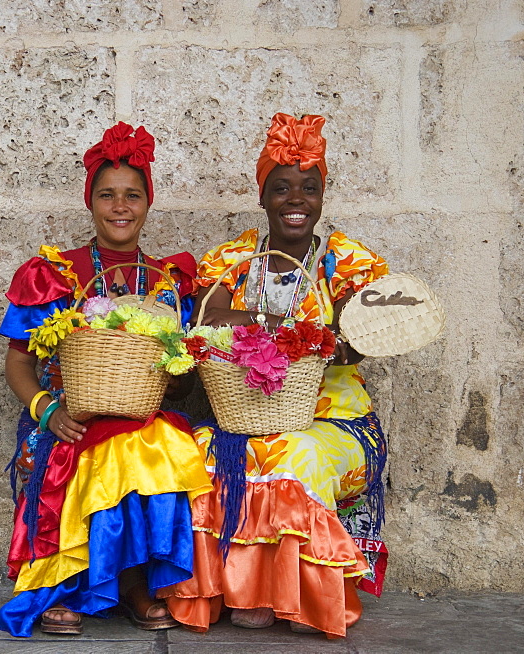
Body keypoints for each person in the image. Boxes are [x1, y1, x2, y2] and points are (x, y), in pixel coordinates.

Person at [159, 113, 389, 637]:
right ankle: (232, 591)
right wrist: (286, 327)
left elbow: (361, 336)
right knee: (200, 452)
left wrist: (315, 340)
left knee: (294, 452)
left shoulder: (340, 263)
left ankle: (288, 595)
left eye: (310, 188)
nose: (296, 199)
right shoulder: (238, 261)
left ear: (322, 197)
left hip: (336, 420)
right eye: (281, 188)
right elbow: (211, 318)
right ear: (262, 197)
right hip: (245, 413)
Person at [0, 122, 213, 638]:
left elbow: (177, 384)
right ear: (90, 201)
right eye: (107, 195)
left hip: (137, 414)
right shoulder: (56, 275)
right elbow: (18, 363)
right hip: (70, 417)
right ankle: (64, 585)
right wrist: (49, 410)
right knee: (116, 448)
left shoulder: (167, 281)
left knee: (157, 443)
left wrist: (171, 372)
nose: (120, 207)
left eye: (133, 195)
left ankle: (135, 581)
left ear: (148, 203)